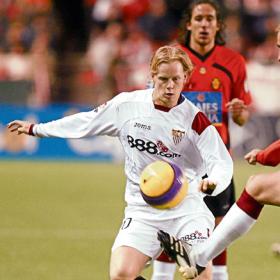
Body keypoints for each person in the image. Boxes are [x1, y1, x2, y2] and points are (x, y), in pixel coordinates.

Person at [8, 46, 233, 280]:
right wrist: (37, 129)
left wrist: (213, 182)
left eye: (176, 79)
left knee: (202, 277)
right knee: (121, 274)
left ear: (186, 77)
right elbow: (86, 121)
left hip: (187, 209)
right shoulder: (127, 105)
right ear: (152, 75)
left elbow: (221, 161)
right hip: (143, 209)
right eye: (163, 79)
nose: (170, 86)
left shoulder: (195, 120)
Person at [157, 23, 280, 279]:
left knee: (255, 188)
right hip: (188, 157)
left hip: (209, 158)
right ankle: (200, 257)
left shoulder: (230, 61)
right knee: (257, 187)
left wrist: (266, 156)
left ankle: (200, 257)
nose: (278, 55)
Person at [152, 1, 252, 279]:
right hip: (176, 159)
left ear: (218, 25)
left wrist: (240, 112)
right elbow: (155, 103)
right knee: (169, 220)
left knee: (219, 226)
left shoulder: (234, 61)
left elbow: (241, 117)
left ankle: (219, 275)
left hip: (215, 160)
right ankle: (161, 275)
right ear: (189, 24)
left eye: (210, 19)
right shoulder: (173, 57)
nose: (204, 24)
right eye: (199, 18)